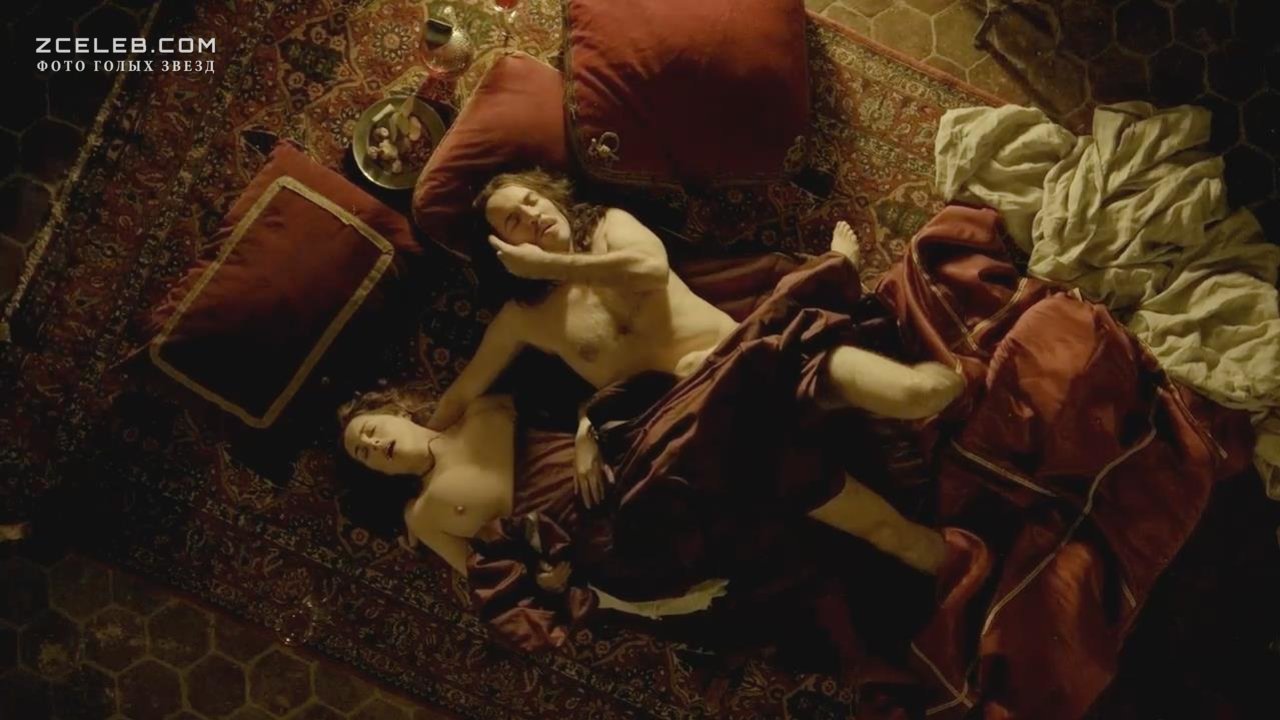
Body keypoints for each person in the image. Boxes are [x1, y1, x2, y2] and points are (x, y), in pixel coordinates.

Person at [416, 169, 962, 574]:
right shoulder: (524, 318)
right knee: (901, 540)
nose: (533, 214)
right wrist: (417, 450)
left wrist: (553, 264)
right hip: (711, 433)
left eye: (532, 199)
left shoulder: (607, 226)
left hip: (761, 360)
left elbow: (650, 270)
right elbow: (463, 392)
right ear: (501, 249)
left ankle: (979, 371)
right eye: (514, 220)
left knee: (918, 393)